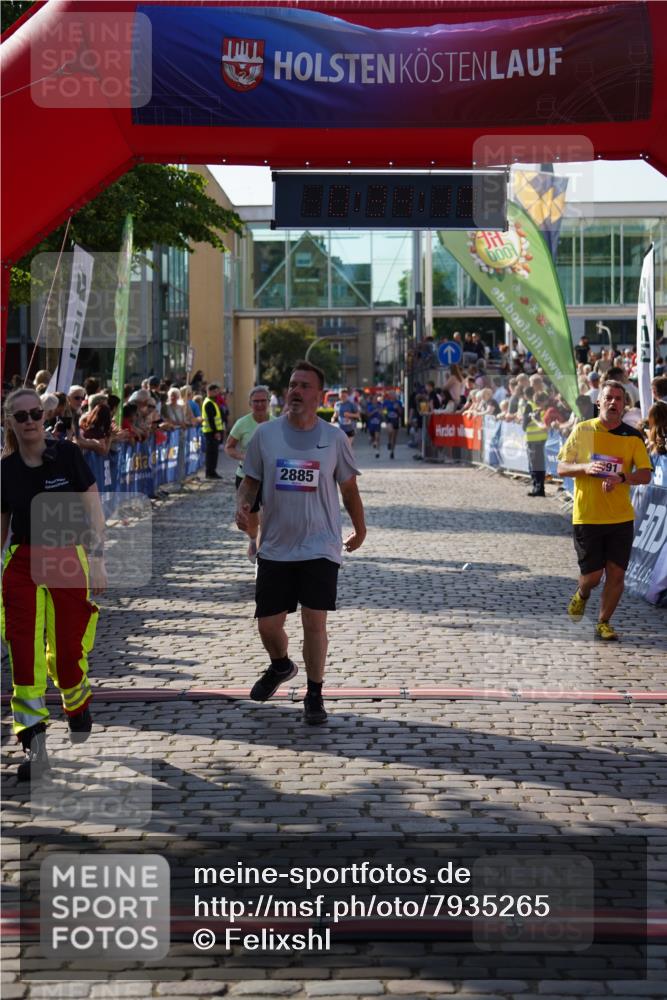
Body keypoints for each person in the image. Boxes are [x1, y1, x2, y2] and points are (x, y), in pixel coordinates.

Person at [235, 360, 366, 725]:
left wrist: (360, 527)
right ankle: (280, 666)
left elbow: (349, 489)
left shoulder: (335, 438)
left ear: (319, 395)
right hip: (276, 544)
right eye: (292, 384)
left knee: (314, 621)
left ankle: (314, 693)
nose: (295, 391)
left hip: (321, 543)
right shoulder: (266, 435)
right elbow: (250, 482)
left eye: (304, 386)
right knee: (268, 624)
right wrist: (242, 506)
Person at [1, 388, 107, 781]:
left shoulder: (67, 455)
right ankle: (34, 745)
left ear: (44, 417)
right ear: (9, 421)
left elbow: (93, 509)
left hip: (67, 557)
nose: (30, 421)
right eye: (21, 415)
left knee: (66, 652)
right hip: (23, 562)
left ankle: (77, 703)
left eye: (35, 414)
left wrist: (97, 559)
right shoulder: (5, 469)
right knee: (24, 656)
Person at [557, 380, 652, 641]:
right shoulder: (583, 430)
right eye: (608, 398)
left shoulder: (633, 437)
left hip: (621, 517)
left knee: (617, 573)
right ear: (599, 401)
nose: (613, 403)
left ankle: (604, 622)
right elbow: (562, 468)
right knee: (593, 577)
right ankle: (582, 594)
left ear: (624, 405)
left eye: (618, 399)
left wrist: (623, 478)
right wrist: (585, 468)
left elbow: (644, 474)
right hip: (588, 515)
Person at [225, 385, 272, 562]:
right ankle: (253, 539)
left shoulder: (276, 423)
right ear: (250, 403)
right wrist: (243, 455)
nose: (259, 404)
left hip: (270, 477)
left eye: (263, 401)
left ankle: (265, 544)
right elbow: (229, 447)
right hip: (246, 476)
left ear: (268, 402)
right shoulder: (242, 424)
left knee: (269, 512)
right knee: (251, 515)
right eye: (255, 401)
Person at [523, 390, 549, 496]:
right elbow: (525, 423)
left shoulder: (545, 408)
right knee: (533, 465)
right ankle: (536, 487)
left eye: (539, 402)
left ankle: (539, 488)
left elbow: (525, 424)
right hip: (531, 439)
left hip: (539, 440)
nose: (538, 404)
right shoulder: (530, 406)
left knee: (537, 465)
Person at [201, 382, 224, 480]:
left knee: (213, 453)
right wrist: (216, 432)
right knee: (211, 453)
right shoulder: (209, 403)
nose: (217, 393)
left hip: (212, 431)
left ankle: (212, 471)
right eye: (215, 391)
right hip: (211, 432)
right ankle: (210, 472)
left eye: (217, 391)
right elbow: (211, 419)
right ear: (209, 392)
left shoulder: (211, 401)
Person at [383, 390, 403, 459]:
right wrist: (385, 414)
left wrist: (398, 408)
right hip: (389, 420)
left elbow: (401, 413)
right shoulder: (386, 402)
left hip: (396, 421)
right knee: (390, 431)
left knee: (394, 437)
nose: (393, 395)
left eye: (394, 394)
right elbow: (384, 411)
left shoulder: (398, 402)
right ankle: (389, 442)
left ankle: (392, 451)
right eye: (391, 394)